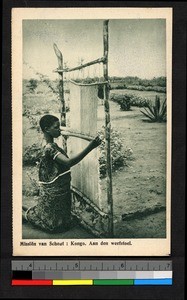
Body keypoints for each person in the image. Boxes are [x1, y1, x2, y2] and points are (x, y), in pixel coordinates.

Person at [22, 114, 101, 233]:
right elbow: (68, 163)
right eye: (56, 127)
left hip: (60, 189)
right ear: (47, 129)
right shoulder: (50, 148)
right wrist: (90, 147)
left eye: (59, 127)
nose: (60, 130)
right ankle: (24, 216)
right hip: (55, 191)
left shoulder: (53, 145)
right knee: (52, 226)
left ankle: (26, 211)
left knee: (61, 222)